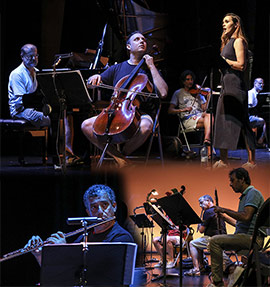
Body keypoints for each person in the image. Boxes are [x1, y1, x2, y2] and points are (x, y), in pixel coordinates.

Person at [81, 31, 168, 167]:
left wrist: (151, 66)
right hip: (116, 110)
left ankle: (124, 154)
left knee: (146, 126)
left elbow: (163, 93)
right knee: (85, 125)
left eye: (144, 40)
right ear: (128, 47)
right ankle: (120, 158)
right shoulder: (117, 68)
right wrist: (93, 78)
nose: (141, 41)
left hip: (140, 113)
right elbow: (90, 84)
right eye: (137, 39)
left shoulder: (149, 69)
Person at [8, 44, 83, 167]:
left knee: (65, 115)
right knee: (55, 120)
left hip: (33, 107)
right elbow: (23, 100)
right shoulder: (17, 74)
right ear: (22, 56)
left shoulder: (37, 72)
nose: (34, 59)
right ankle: (58, 157)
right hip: (20, 110)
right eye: (30, 56)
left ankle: (68, 154)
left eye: (36, 56)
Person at [24, 184, 134, 266]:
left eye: (104, 205)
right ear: (88, 212)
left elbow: (98, 273)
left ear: (114, 206)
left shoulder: (122, 238)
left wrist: (65, 249)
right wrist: (39, 255)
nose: (100, 211)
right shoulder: (83, 237)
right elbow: (60, 273)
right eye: (94, 207)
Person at [208, 167, 264, 287]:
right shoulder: (246, 196)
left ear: (242, 179)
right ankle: (231, 269)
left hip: (252, 239)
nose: (230, 184)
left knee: (214, 241)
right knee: (213, 242)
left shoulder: (252, 193)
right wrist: (224, 217)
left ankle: (217, 282)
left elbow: (246, 217)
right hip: (246, 236)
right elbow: (241, 223)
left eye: (232, 180)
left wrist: (224, 209)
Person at [213, 13, 256, 169]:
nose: (223, 24)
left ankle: (252, 162)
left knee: (243, 122)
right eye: (223, 22)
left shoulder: (238, 41)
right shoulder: (226, 43)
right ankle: (224, 160)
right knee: (222, 121)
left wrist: (224, 61)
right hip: (225, 86)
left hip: (236, 86)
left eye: (227, 22)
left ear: (236, 24)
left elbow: (241, 65)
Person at [168, 70, 213, 155]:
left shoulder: (198, 93)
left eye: (191, 79)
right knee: (211, 122)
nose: (190, 81)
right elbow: (170, 110)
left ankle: (207, 139)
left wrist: (208, 97)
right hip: (188, 118)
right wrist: (183, 110)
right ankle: (209, 151)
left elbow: (204, 108)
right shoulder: (178, 93)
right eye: (187, 79)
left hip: (201, 117)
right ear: (183, 81)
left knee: (210, 117)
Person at [184, 195, 231, 277]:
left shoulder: (208, 212)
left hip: (213, 238)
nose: (200, 205)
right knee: (198, 244)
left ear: (209, 201)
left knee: (192, 243)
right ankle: (201, 267)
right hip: (223, 237)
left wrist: (199, 223)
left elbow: (201, 230)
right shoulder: (217, 210)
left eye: (201, 203)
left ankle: (196, 269)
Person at [248, 78, 267, 146]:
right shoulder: (251, 93)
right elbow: (250, 106)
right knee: (264, 121)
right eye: (259, 83)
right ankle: (260, 141)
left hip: (254, 115)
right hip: (248, 116)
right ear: (255, 84)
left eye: (262, 83)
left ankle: (260, 141)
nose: (262, 85)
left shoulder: (259, 94)